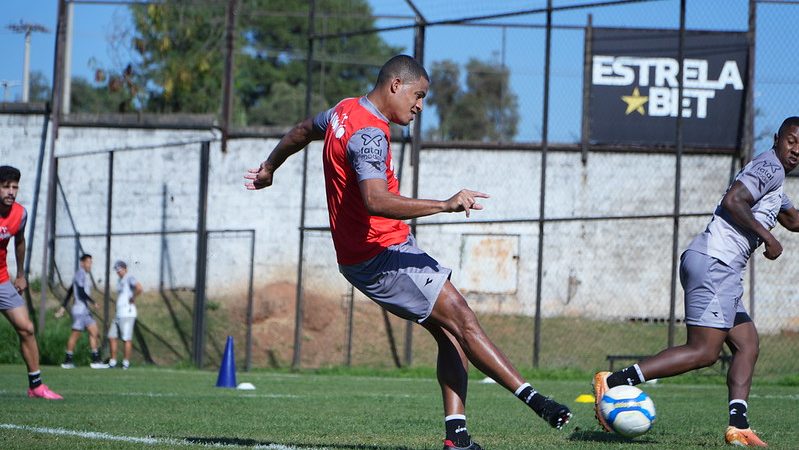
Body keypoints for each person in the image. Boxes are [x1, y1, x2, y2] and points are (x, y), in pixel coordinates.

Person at [246, 54, 571, 450]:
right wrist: (445, 204)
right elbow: (376, 200)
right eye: (418, 96)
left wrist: (270, 167)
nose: (420, 107)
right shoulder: (370, 134)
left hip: (381, 249)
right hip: (380, 254)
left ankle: (458, 438)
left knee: (451, 334)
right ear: (395, 85)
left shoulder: (342, 112)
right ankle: (536, 402)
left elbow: (301, 130)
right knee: (463, 320)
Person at [593, 116, 799, 447]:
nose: (796, 150)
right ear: (778, 139)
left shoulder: (775, 180)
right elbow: (734, 201)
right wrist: (768, 238)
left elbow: (793, 220)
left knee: (747, 343)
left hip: (719, 267)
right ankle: (615, 381)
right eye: (792, 141)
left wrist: (775, 232)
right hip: (716, 263)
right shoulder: (769, 167)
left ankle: (738, 426)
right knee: (703, 352)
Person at [0, 166, 62, 400]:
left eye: (15, 187)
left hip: (2, 279)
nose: (11, 192)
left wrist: (21, 274)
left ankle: (36, 386)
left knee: (27, 328)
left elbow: (19, 242)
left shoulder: (20, 214)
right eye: (6, 186)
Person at [55, 253, 108, 369]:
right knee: (75, 335)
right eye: (88, 262)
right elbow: (79, 291)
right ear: (82, 263)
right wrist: (93, 302)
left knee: (94, 332)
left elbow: (70, 291)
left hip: (85, 310)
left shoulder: (82, 275)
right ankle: (67, 361)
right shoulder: (80, 274)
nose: (90, 265)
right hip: (80, 310)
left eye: (91, 262)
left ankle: (96, 361)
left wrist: (63, 306)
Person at [107, 260, 142, 369]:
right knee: (112, 336)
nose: (118, 272)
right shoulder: (120, 280)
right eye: (117, 270)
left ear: (125, 268)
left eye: (120, 269)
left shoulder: (129, 277)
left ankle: (126, 363)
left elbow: (139, 288)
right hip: (119, 314)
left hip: (127, 313)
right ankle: (113, 361)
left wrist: (133, 297)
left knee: (126, 338)